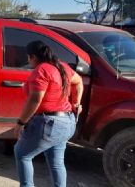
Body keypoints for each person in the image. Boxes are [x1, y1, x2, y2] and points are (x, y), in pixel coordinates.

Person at [13, 40, 83, 187]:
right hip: (67, 122)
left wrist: (21, 123)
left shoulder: (41, 70)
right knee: (56, 161)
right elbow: (79, 81)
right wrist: (77, 102)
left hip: (49, 124)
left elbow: (35, 100)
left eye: (28, 57)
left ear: (32, 56)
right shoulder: (62, 66)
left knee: (22, 154)